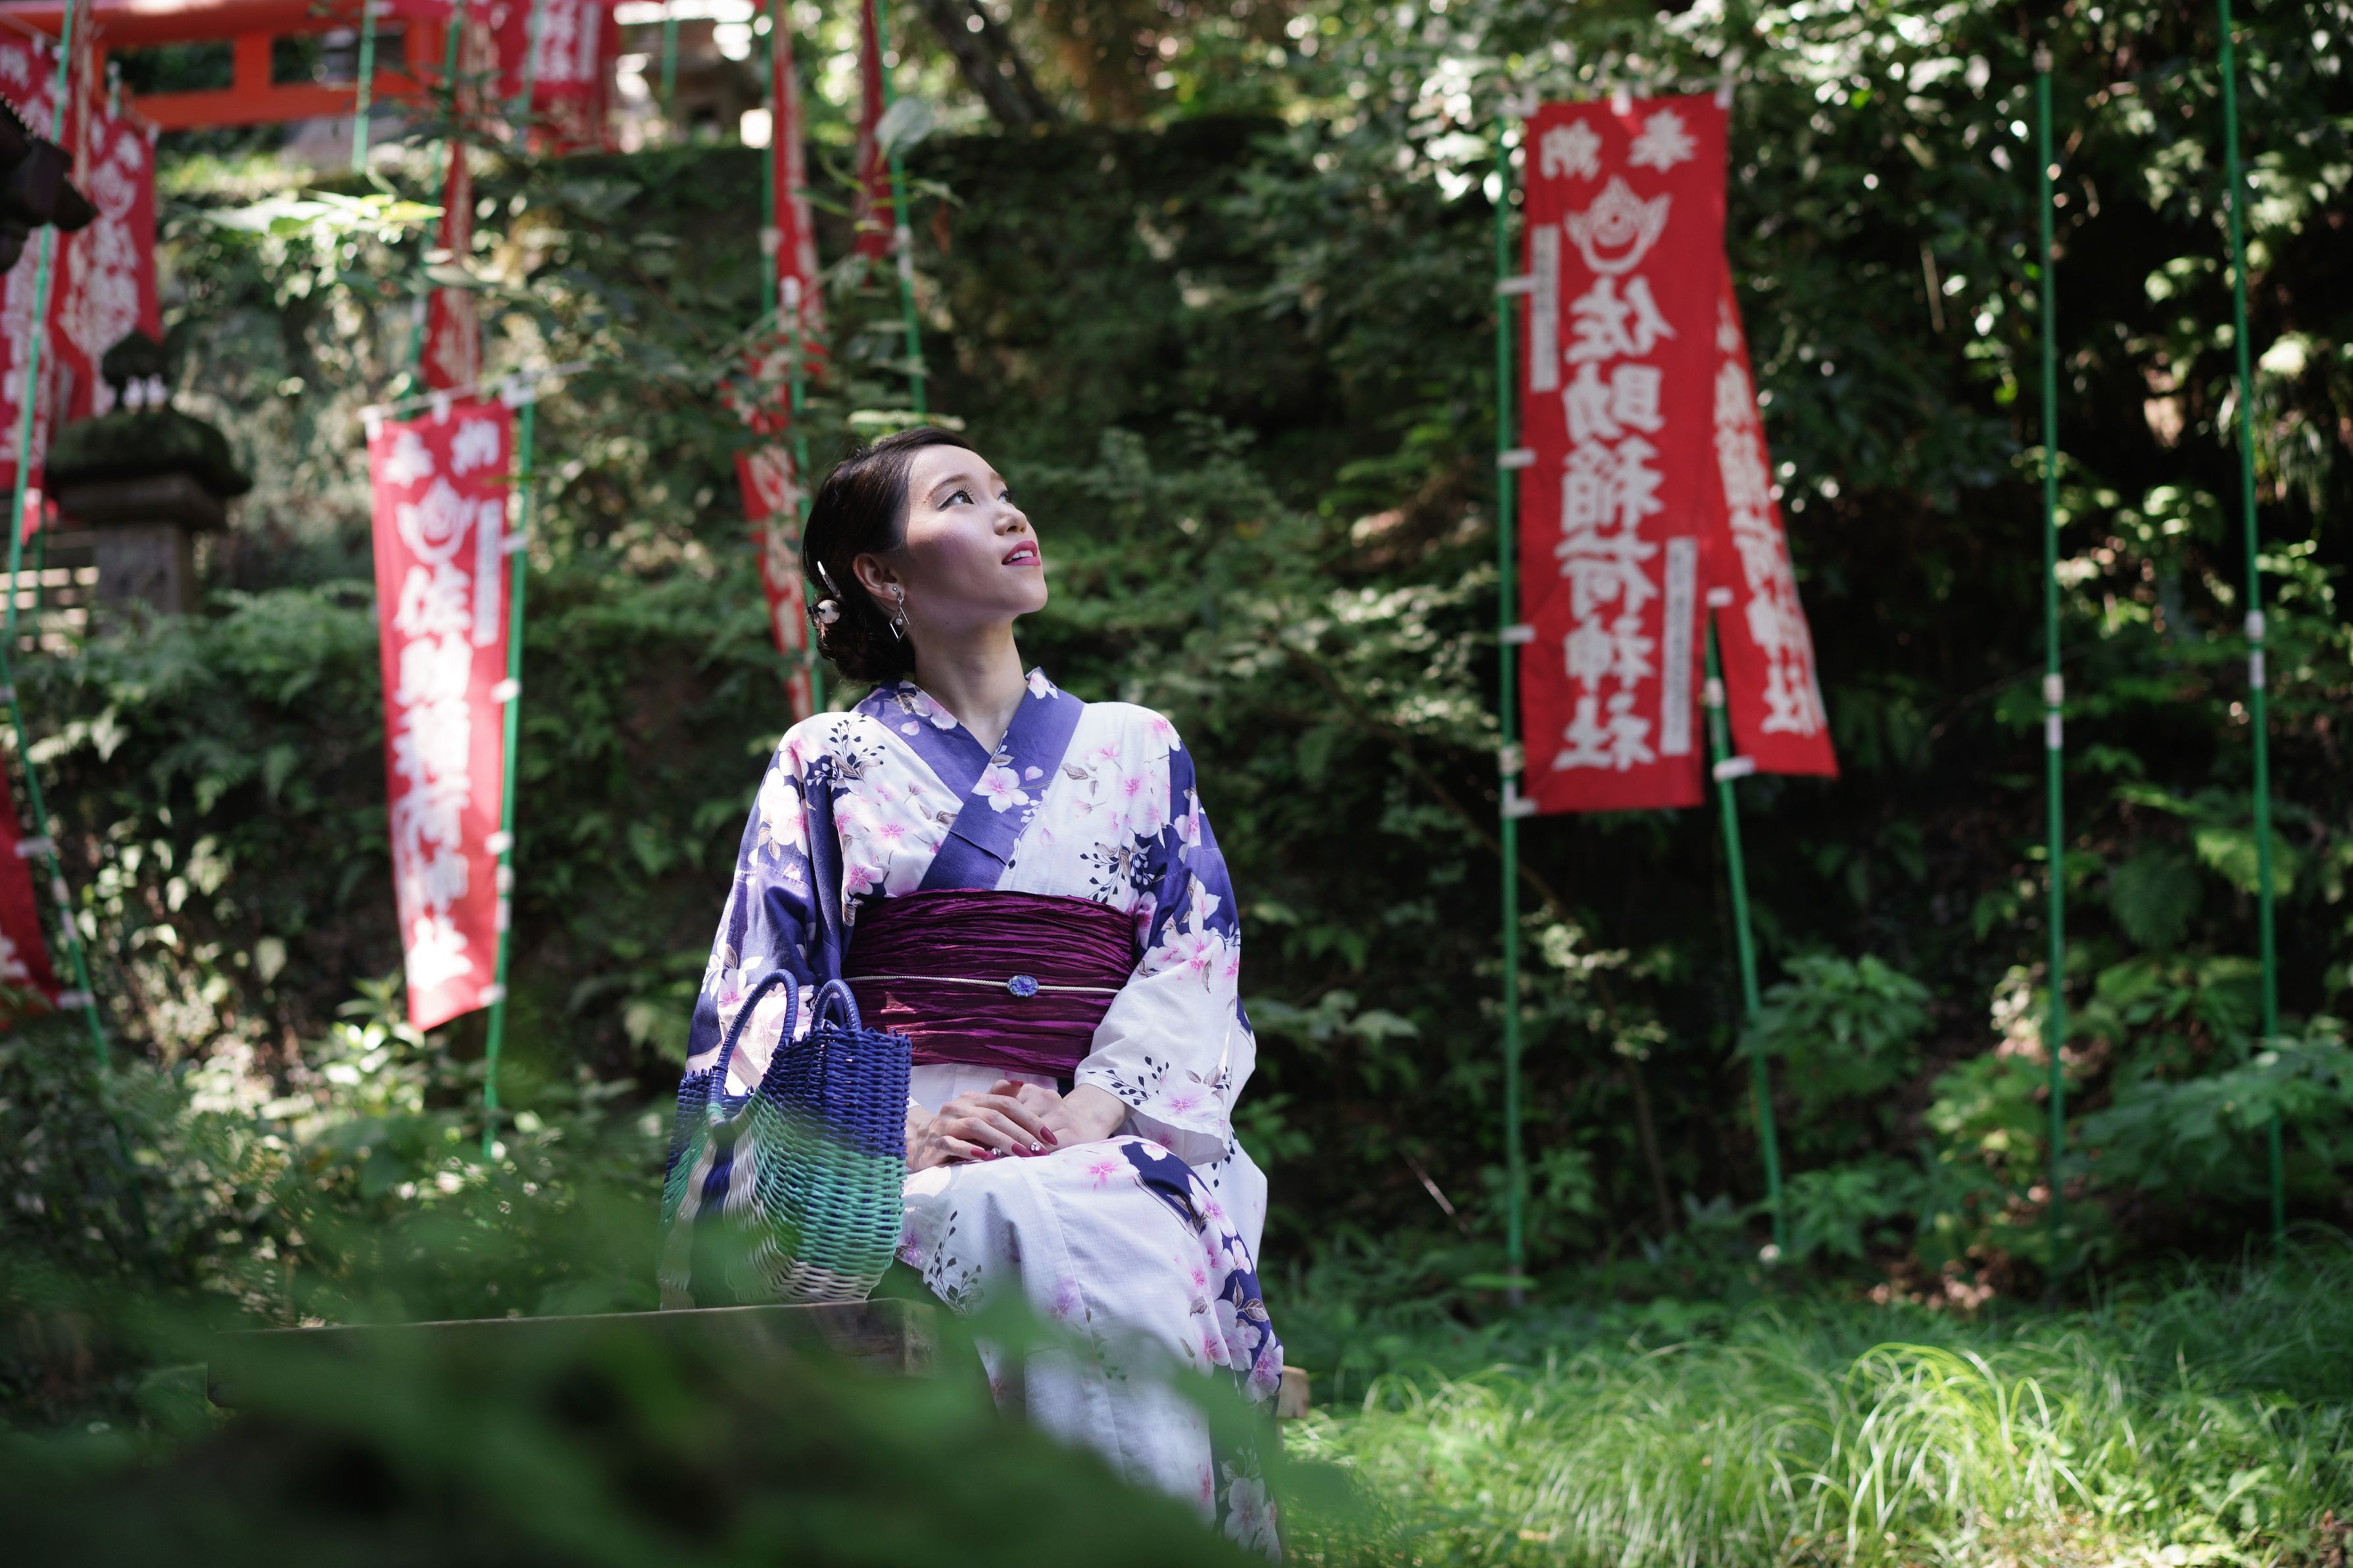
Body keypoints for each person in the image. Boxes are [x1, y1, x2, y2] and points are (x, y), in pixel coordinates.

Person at [661, 428, 1281, 1552]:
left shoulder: (1138, 747)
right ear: (881, 574)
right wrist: (896, 1135)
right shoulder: (824, 758)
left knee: (1090, 1201)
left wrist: (1087, 1109)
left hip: (1094, 1118)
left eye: (1004, 490)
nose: (1007, 513)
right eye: (958, 498)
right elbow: (765, 990)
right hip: (891, 1147)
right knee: (1000, 1208)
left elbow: (1194, 953)